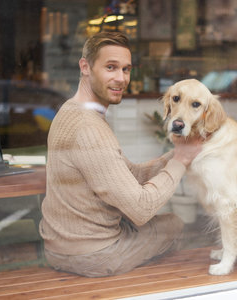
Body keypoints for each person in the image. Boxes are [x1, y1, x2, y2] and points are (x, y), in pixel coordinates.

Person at [39, 31, 203, 277]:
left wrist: (176, 154)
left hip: (61, 248)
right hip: (94, 254)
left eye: (126, 69)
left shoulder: (70, 111)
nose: (120, 78)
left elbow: (126, 175)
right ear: (85, 66)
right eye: (111, 67)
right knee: (174, 224)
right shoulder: (89, 128)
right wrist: (180, 162)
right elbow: (141, 209)